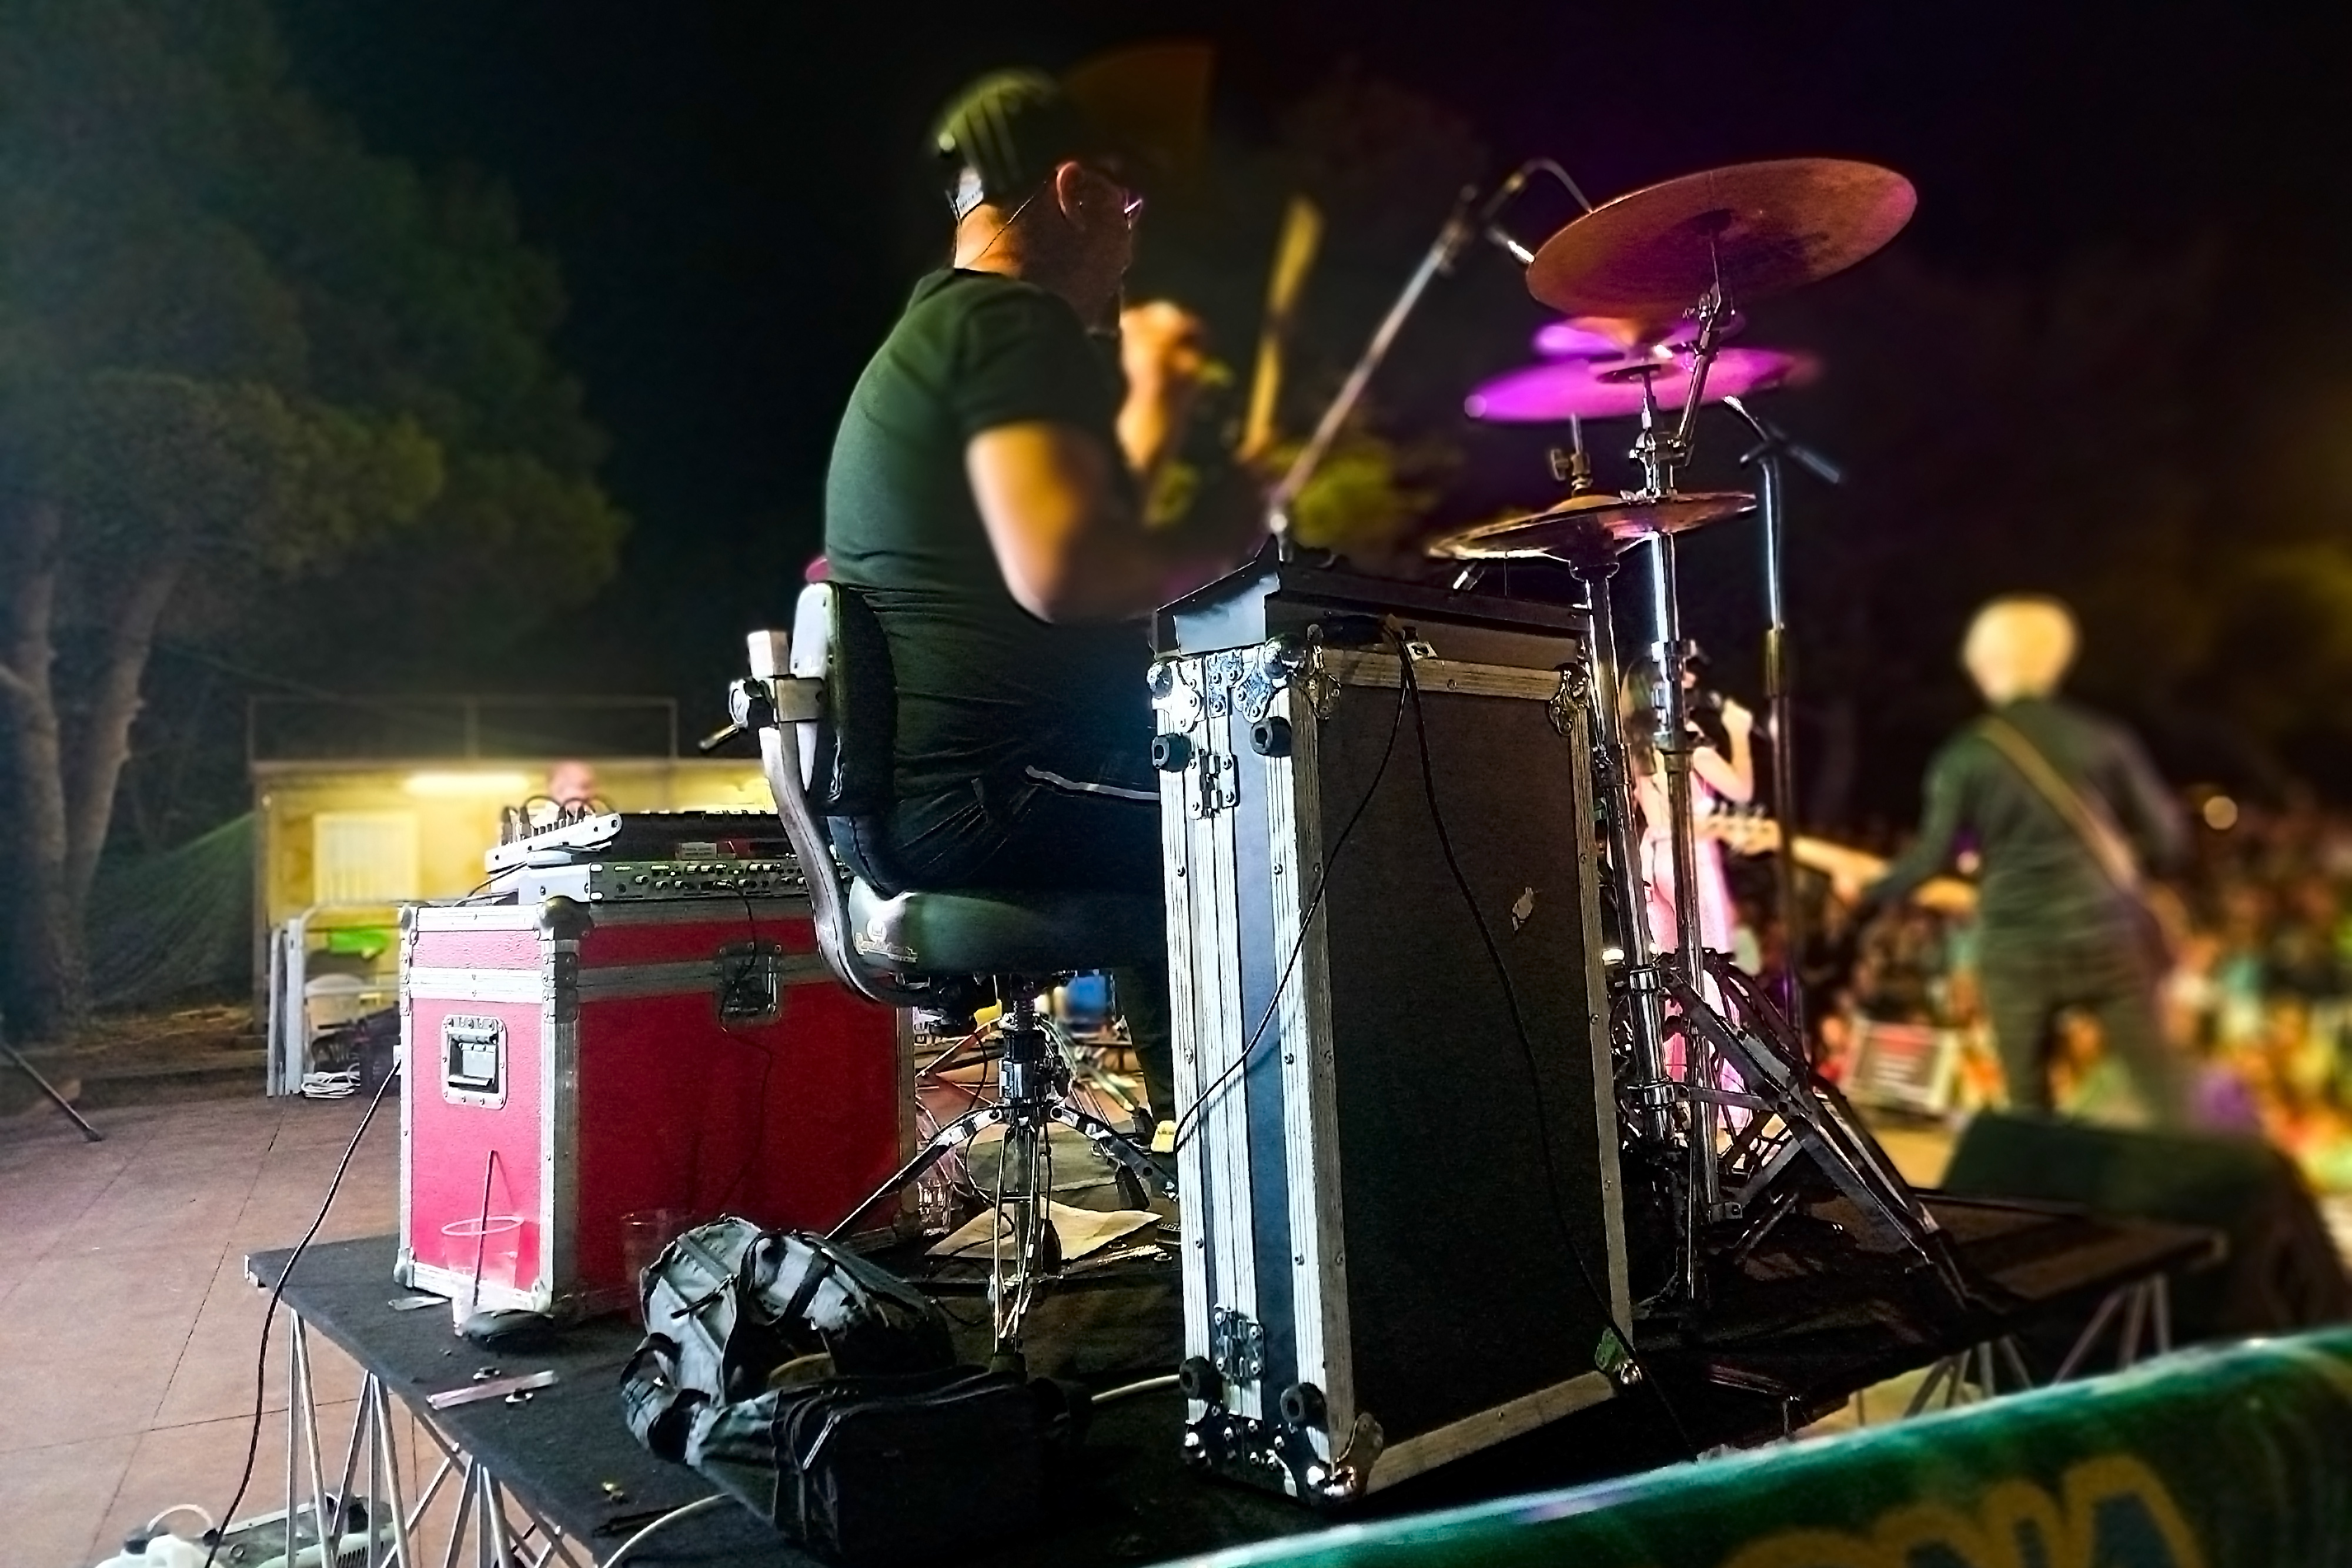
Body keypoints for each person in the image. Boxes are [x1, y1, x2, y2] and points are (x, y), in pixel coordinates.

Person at [821, 60, 1262, 1136]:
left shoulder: (935, 336)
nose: (1131, 238)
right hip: (1002, 791)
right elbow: (1069, 571)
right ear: (1076, 191)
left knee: (1204, 794)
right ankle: (1244, 1170)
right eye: (1130, 207)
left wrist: (1150, 408)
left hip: (930, 802)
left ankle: (1193, 1152)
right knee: (1283, 818)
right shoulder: (1011, 325)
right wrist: (1241, 545)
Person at [1844, 595, 2189, 1123]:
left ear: (1985, 661)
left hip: (2016, 942)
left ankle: (2049, 1201)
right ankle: (2188, 1196)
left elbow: (1931, 860)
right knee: (2161, 1091)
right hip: (2106, 932)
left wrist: (1866, 890)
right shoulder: (2104, 738)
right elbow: (2168, 839)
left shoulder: (1967, 755)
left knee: (2030, 1107)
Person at [1619, 652, 1756, 960]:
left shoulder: (1632, 741)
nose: (1691, 680)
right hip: (1692, 859)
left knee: (1676, 971)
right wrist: (1738, 733)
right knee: (1713, 966)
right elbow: (1740, 789)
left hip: (1655, 864)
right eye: (1679, 675)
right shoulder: (1682, 734)